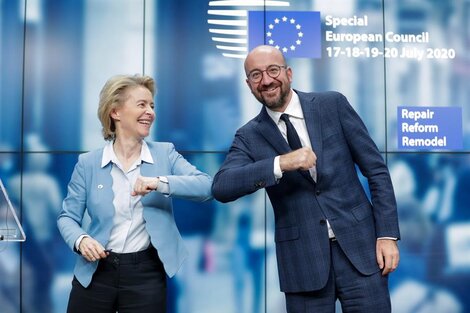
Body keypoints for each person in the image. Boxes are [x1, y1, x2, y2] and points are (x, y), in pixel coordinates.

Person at [212, 45, 400, 313]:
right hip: (302, 264)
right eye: (256, 75)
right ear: (248, 84)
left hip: (361, 253)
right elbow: (222, 186)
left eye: (273, 70)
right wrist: (280, 163)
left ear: (289, 73)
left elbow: (376, 170)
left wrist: (387, 235)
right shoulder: (248, 135)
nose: (266, 80)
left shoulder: (332, 104)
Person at [57, 74, 212, 313]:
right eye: (141, 104)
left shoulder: (165, 154)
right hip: (95, 270)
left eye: (152, 105)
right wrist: (81, 240)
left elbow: (206, 186)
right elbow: (67, 217)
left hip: (145, 273)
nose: (150, 111)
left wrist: (160, 182)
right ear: (115, 112)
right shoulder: (87, 163)